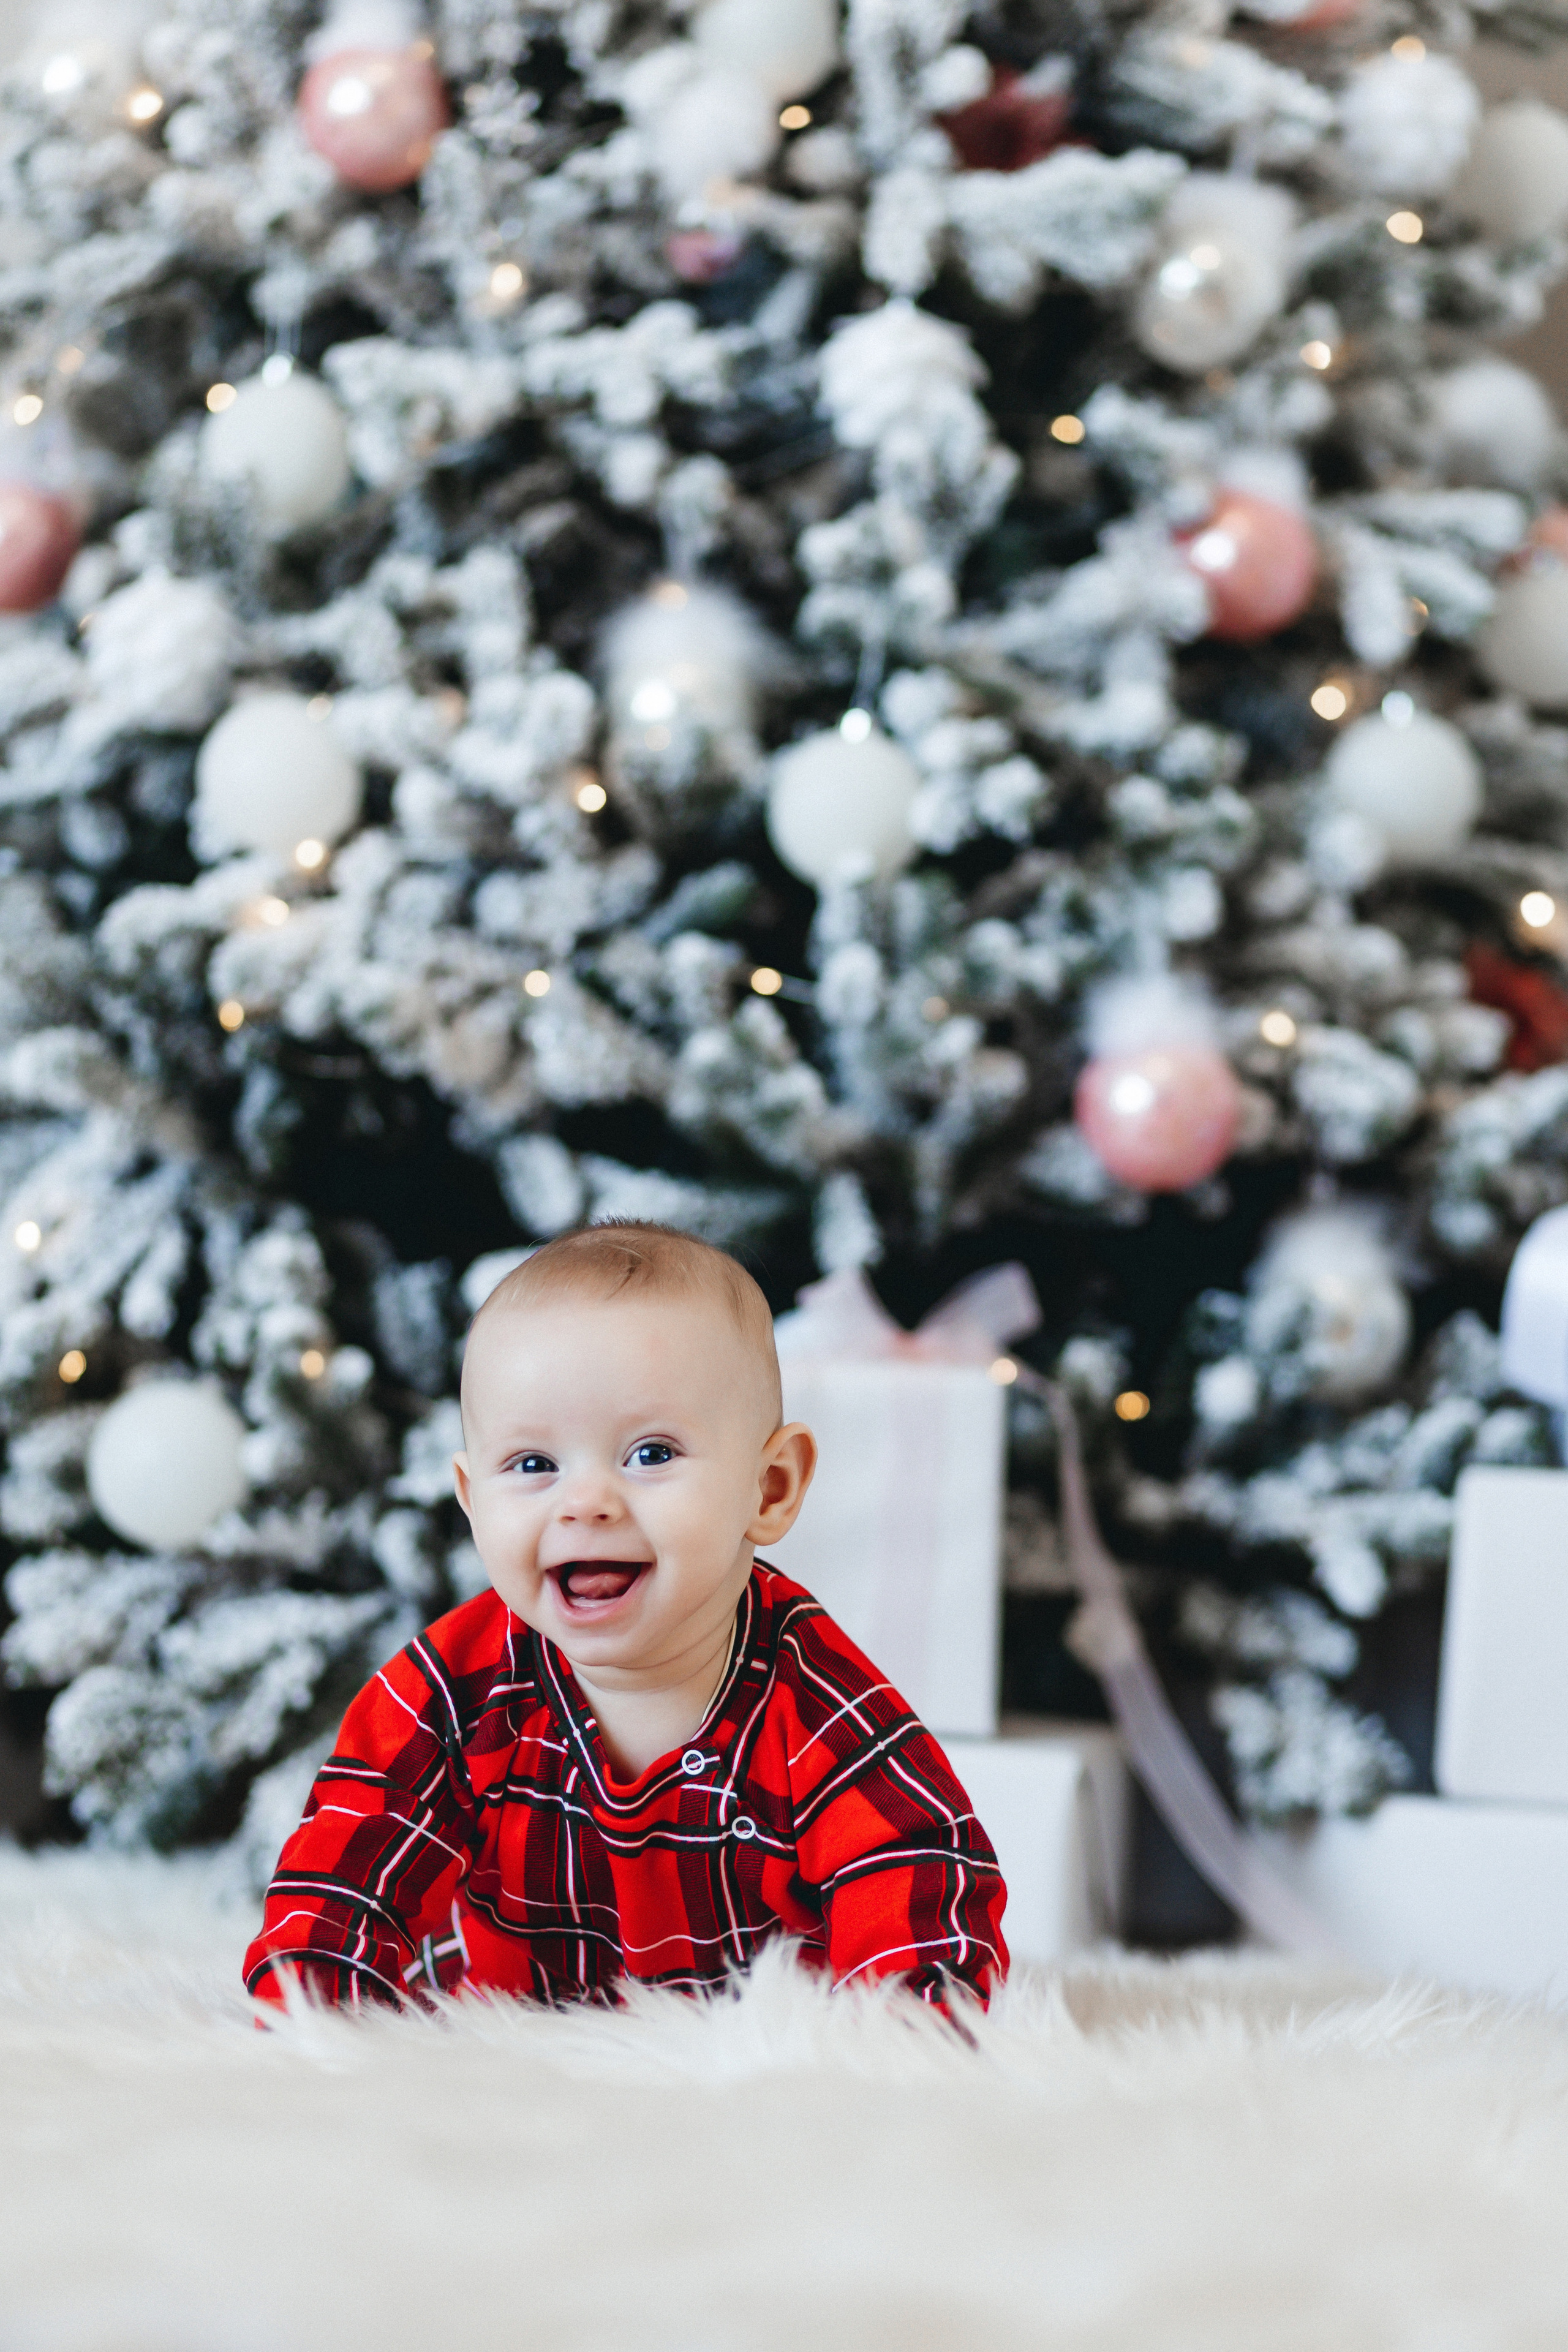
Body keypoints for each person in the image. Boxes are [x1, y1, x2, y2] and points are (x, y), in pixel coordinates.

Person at [243, 1222, 1008, 2013]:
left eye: (651, 1454)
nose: (586, 1504)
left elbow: (920, 1883)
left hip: (756, 2057)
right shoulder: (450, 1691)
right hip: (514, 2048)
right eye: (534, 1465)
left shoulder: (815, 1703)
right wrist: (318, 2021)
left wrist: (911, 2033)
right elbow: (344, 1874)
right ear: (474, 1505)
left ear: (770, 1489)